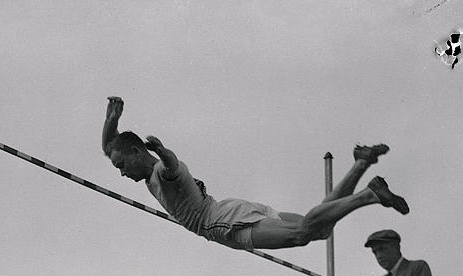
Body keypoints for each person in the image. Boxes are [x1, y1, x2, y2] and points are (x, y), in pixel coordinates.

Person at [102, 96, 408, 253]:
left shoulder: (159, 172)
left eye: (122, 166)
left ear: (136, 152)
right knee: (320, 229)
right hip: (232, 212)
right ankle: (361, 163)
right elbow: (109, 146)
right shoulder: (140, 164)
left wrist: (163, 149)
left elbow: (170, 164)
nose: (122, 174)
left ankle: (369, 195)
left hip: (224, 224)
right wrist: (111, 119)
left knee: (302, 235)